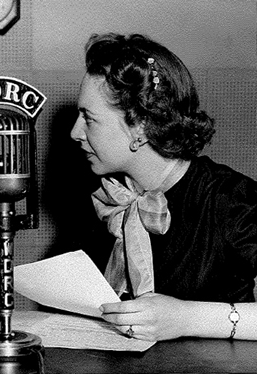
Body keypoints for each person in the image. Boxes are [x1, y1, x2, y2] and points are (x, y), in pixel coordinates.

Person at [70, 33, 257, 341]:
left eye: (88, 118)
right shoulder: (111, 200)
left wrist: (187, 319)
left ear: (140, 127)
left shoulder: (230, 199)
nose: (74, 132)